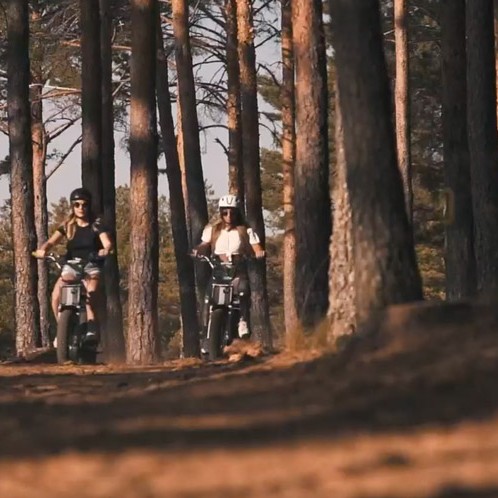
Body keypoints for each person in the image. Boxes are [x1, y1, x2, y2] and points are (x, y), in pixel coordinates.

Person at [33, 187, 113, 345]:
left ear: (89, 206)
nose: (80, 208)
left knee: (92, 292)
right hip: (71, 265)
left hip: (92, 265)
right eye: (77, 204)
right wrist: (43, 250)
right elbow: (52, 241)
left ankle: (91, 328)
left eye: (84, 204)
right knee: (56, 296)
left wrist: (105, 250)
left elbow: (107, 243)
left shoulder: (96, 225)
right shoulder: (68, 225)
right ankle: (62, 331)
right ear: (72, 206)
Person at [193, 194, 265, 343]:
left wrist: (259, 252)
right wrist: (198, 250)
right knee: (208, 297)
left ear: (238, 213)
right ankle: (205, 329)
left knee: (243, 291)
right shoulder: (212, 229)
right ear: (220, 213)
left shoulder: (246, 230)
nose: (229, 215)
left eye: (232, 212)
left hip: (238, 267)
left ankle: (243, 320)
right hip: (218, 266)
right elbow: (204, 244)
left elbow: (256, 246)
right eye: (225, 212)